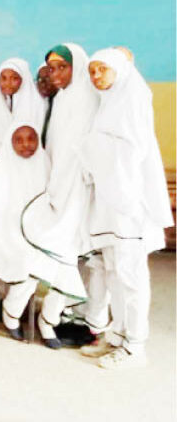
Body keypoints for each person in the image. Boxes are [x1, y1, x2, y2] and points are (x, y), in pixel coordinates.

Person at [77, 48, 173, 369]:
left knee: (131, 276)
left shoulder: (133, 99)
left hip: (129, 205)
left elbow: (130, 152)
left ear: (119, 70)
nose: (96, 76)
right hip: (110, 204)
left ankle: (135, 347)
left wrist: (91, 146)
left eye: (102, 69)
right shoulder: (108, 104)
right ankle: (117, 335)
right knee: (116, 273)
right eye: (92, 71)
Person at [21, 43, 98, 349]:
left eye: (61, 67)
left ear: (76, 66)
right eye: (51, 68)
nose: (54, 74)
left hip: (81, 189)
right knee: (60, 253)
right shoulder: (63, 99)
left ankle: (58, 318)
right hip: (58, 189)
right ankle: (53, 318)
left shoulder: (89, 98)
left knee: (73, 254)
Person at [0, 123, 51, 341]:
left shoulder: (45, 163)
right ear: (10, 142)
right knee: (28, 261)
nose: (25, 145)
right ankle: (12, 314)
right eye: (19, 139)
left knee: (50, 259)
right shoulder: (2, 166)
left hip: (38, 229)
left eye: (31, 139)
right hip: (6, 229)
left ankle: (15, 310)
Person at [0, 58, 46, 128]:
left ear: (24, 79)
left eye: (14, 78)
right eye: (4, 78)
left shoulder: (36, 105)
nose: (8, 83)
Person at [36, 64, 57, 148]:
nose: (43, 83)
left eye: (48, 79)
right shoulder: (40, 104)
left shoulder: (63, 103)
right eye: (40, 79)